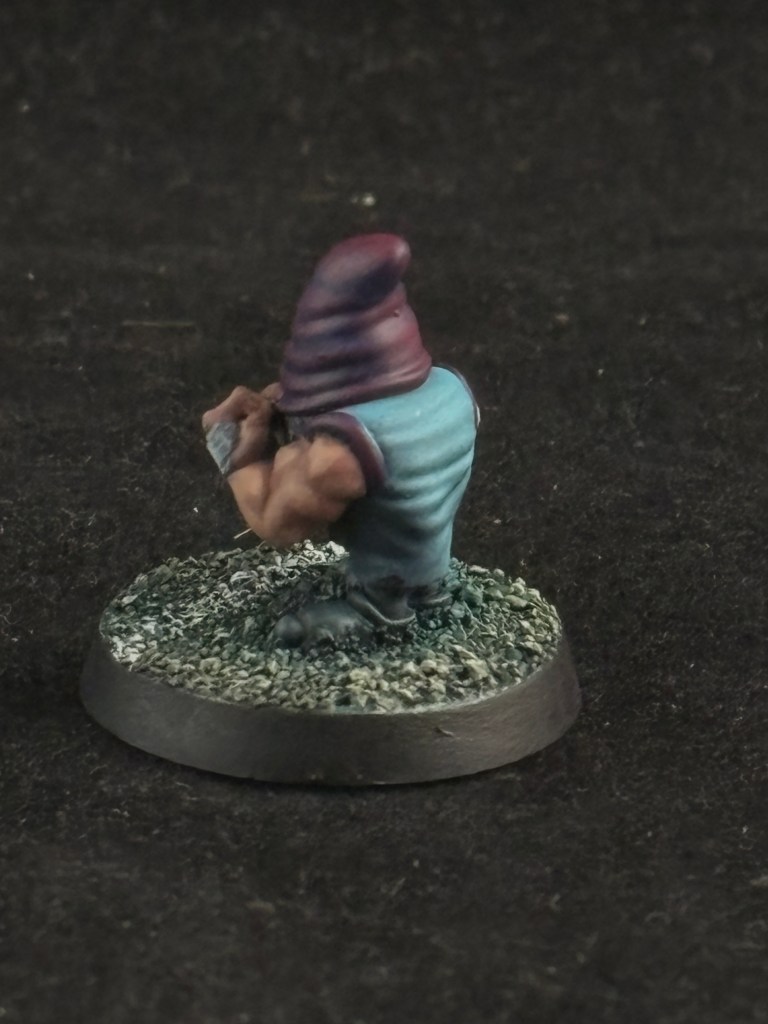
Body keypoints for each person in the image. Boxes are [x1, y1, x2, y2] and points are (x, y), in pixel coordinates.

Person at [202, 234, 478, 647]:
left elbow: (275, 526)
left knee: (292, 633)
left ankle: (381, 611)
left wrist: (231, 448)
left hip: (381, 580)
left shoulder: (337, 454)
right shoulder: (452, 389)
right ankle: (427, 587)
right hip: (428, 548)